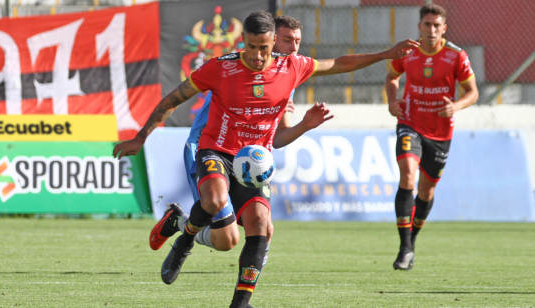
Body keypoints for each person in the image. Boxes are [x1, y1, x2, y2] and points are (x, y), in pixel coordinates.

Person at [114, 11, 418, 308]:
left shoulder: (292, 67)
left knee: (254, 228)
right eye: (252, 47)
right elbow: (174, 99)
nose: (258, 56)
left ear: (272, 42)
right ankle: (184, 242)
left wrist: (385, 54)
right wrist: (141, 136)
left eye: (264, 48)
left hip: (254, 162)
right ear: (243, 40)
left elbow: (337, 63)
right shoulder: (220, 68)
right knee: (215, 199)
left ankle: (240, 303)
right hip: (216, 150)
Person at [148, 17, 305, 267]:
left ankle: (249, 279)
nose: (293, 47)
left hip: (247, 157)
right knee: (226, 238)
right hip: (211, 150)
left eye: (297, 41)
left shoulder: (287, 74)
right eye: (287, 40)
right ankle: (179, 223)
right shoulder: (234, 69)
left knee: (263, 227)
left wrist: (305, 124)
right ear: (271, 39)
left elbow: (277, 138)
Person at [385, 4, 479, 270]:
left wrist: (456, 105)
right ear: (419, 27)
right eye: (427, 25)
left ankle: (411, 242)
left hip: (439, 132)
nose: (432, 30)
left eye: (437, 25)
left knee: (426, 190)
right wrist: (393, 101)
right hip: (410, 123)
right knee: (407, 175)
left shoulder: (456, 56)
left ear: (444, 28)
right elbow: (392, 77)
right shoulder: (408, 51)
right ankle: (404, 247)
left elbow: (472, 92)